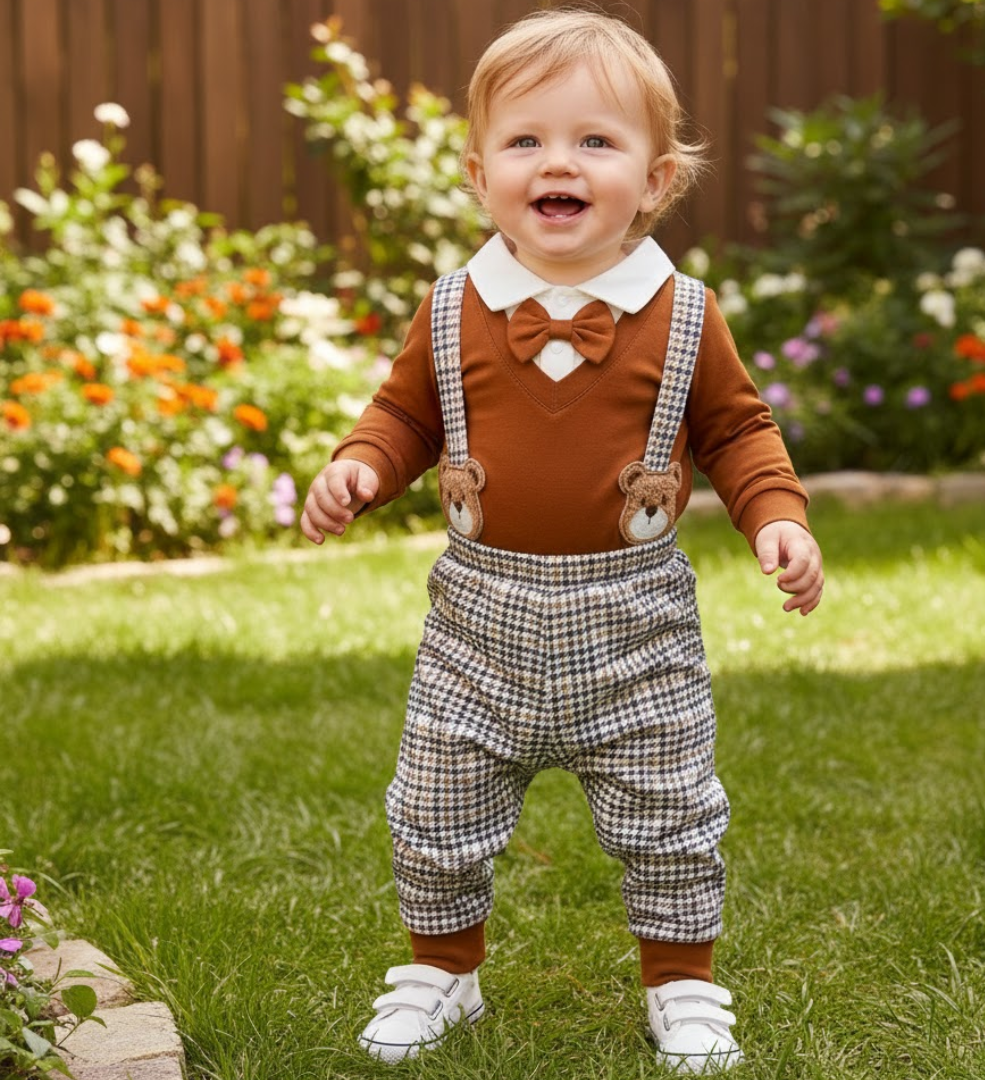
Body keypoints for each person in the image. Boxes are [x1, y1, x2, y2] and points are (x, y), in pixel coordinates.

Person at [301, 7, 824, 1074]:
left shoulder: (684, 314)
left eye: (595, 140)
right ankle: (443, 971)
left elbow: (737, 431)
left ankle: (682, 983)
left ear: (655, 179)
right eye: (526, 140)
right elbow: (405, 414)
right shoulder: (452, 308)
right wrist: (362, 465)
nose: (558, 163)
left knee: (670, 810)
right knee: (434, 802)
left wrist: (777, 516)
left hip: (636, 626)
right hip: (477, 623)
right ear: (479, 173)